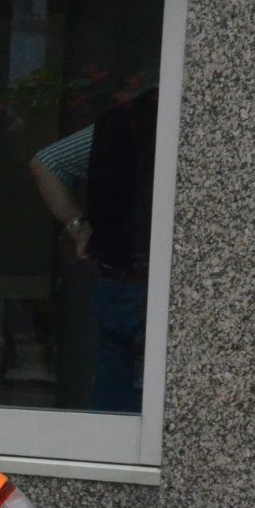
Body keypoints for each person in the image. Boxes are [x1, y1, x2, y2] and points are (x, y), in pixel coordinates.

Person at [28, 88, 158, 414]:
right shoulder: (168, 120)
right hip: (148, 280)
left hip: (116, 277)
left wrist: (79, 228)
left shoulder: (118, 123)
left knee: (114, 400)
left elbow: (46, 163)